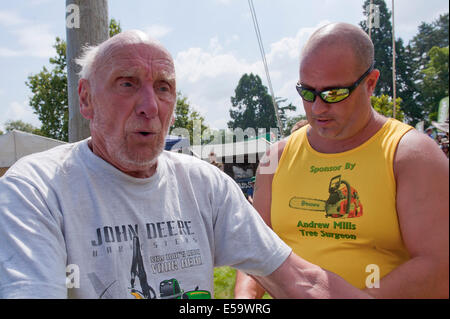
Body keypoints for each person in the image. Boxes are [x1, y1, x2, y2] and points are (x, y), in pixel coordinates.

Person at [0, 30, 373, 299]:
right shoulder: (37, 189)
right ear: (87, 99)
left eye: (163, 87)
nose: (150, 106)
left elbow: (300, 281)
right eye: (127, 84)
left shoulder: (205, 185)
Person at [235, 22, 449, 299]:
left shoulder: (410, 155)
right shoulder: (276, 158)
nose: (318, 107)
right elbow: (257, 251)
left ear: (370, 83)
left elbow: (439, 268)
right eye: (307, 93)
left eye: (334, 94)